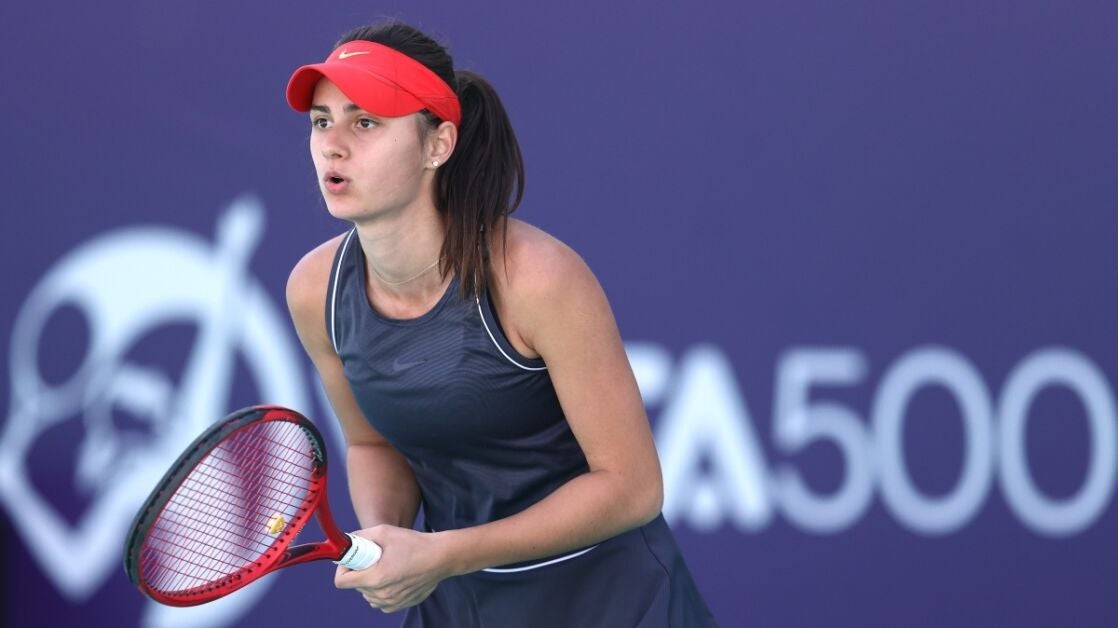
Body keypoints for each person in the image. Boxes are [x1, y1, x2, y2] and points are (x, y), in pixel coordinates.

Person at [284, 20, 717, 627]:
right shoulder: (315, 292)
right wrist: (388, 542)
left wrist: (443, 553)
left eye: (366, 123)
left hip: (616, 606)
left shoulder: (536, 279)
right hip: (455, 605)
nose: (332, 146)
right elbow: (371, 443)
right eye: (321, 121)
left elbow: (632, 487)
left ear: (438, 145)